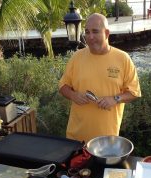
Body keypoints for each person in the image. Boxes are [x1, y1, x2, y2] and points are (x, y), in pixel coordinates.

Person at [59, 13, 141, 143]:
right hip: (75, 139)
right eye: (87, 32)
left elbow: (134, 93)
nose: (90, 37)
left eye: (95, 32)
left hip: (107, 141)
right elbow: (63, 86)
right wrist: (73, 95)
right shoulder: (76, 57)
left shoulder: (123, 59)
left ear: (107, 33)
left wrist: (115, 99)